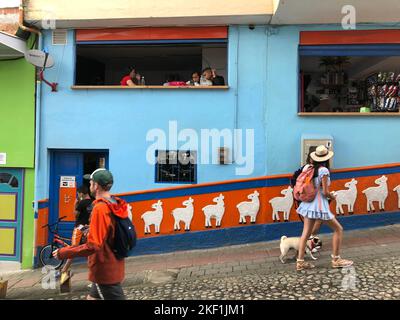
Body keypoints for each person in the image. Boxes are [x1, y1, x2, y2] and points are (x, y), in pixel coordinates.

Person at [53, 168, 129, 300]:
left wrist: (64, 252)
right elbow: (110, 231)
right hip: (113, 263)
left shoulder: (100, 208)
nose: (89, 185)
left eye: (91, 182)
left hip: (104, 269)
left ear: (96, 186)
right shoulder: (114, 203)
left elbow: (93, 246)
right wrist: (92, 228)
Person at [296, 145, 353, 271]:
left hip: (308, 203)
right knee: (338, 229)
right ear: (326, 158)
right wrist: (332, 196)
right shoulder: (324, 171)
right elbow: (326, 192)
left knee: (305, 233)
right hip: (319, 204)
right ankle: (336, 259)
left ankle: (300, 262)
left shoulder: (311, 169)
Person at [60, 185, 93, 277]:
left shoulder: (82, 203)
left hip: (79, 228)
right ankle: (93, 270)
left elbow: (75, 215)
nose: (78, 196)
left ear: (81, 193)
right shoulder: (93, 202)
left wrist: (75, 204)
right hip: (88, 228)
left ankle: (64, 270)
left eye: (78, 194)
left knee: (73, 249)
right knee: (89, 249)